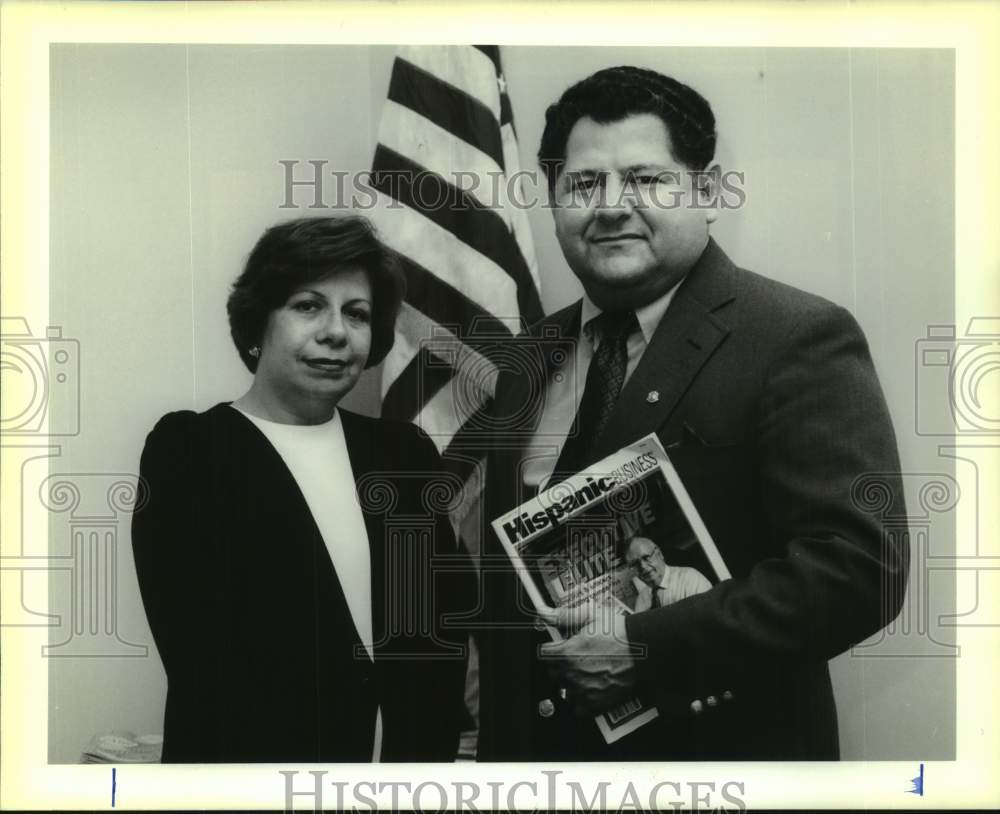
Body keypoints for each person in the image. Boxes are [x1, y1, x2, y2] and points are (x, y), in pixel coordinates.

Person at [478, 66, 909, 760]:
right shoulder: (527, 360)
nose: (611, 205)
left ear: (706, 192)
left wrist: (643, 650)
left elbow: (860, 570)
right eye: (585, 184)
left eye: (646, 179)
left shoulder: (795, 335)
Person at [132, 215, 468, 762]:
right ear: (258, 324)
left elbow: (443, 633)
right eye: (308, 305)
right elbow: (203, 654)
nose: (336, 331)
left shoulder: (404, 455)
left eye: (356, 314)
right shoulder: (190, 451)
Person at [624, 536, 711, 611]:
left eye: (646, 557)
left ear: (660, 554)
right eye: (635, 564)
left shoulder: (690, 578)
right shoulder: (641, 600)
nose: (642, 566)